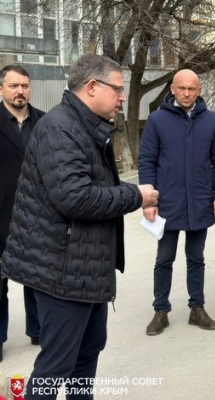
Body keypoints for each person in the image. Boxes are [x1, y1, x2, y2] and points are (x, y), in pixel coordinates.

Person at [1, 54, 159, 399]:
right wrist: (136, 195)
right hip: (62, 272)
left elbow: (88, 189)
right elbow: (76, 198)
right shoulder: (59, 128)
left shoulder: (85, 125)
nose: (122, 97)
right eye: (117, 89)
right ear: (92, 87)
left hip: (84, 269)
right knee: (55, 366)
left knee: (87, 354)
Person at [139, 69, 215, 335]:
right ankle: (160, 310)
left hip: (200, 200)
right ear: (173, 89)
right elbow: (147, 161)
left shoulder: (212, 121)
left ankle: (196, 308)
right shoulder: (157, 120)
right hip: (167, 202)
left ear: (199, 90)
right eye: (182, 88)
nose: (187, 93)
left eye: (192, 88)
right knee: (164, 259)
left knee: (196, 258)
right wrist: (149, 201)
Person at [0, 65, 43, 362]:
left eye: (25, 86)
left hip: (37, 214)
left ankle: (39, 330)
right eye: (14, 85)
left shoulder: (44, 122)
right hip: (1, 214)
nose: (20, 91)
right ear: (1, 88)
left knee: (37, 277)